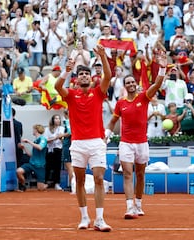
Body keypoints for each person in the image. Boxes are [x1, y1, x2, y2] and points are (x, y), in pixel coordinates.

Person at [54, 44, 112, 232]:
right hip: (77, 143)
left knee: (99, 178)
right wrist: (66, 71)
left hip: (96, 142)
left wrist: (103, 57)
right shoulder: (71, 95)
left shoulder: (98, 93)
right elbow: (57, 86)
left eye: (87, 74)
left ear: (91, 77)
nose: (84, 76)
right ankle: (85, 217)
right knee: (78, 181)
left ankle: (100, 219)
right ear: (77, 79)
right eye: (81, 74)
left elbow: (109, 77)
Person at [106, 51, 167, 219]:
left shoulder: (144, 96)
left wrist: (162, 68)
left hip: (142, 143)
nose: (131, 84)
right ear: (125, 86)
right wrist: (107, 135)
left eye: (133, 81)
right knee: (127, 173)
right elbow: (112, 121)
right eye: (128, 82)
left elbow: (157, 84)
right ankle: (129, 207)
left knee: (140, 174)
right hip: (126, 143)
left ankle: (138, 204)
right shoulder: (120, 103)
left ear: (136, 83)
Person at [16, 124, 48, 192]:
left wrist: (29, 141)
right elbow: (31, 155)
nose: (32, 131)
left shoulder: (43, 139)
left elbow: (40, 147)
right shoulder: (35, 141)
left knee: (40, 188)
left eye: (33, 129)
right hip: (31, 163)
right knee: (19, 171)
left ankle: (45, 185)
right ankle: (23, 185)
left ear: (36, 130)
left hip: (40, 166)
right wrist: (24, 148)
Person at [44, 114, 65, 190]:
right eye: (56, 118)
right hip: (49, 149)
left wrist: (59, 138)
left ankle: (57, 183)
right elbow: (46, 140)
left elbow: (62, 138)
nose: (57, 120)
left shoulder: (62, 128)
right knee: (48, 166)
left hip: (57, 149)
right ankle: (46, 182)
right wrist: (55, 138)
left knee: (57, 167)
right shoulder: (47, 129)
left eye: (59, 119)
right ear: (53, 120)